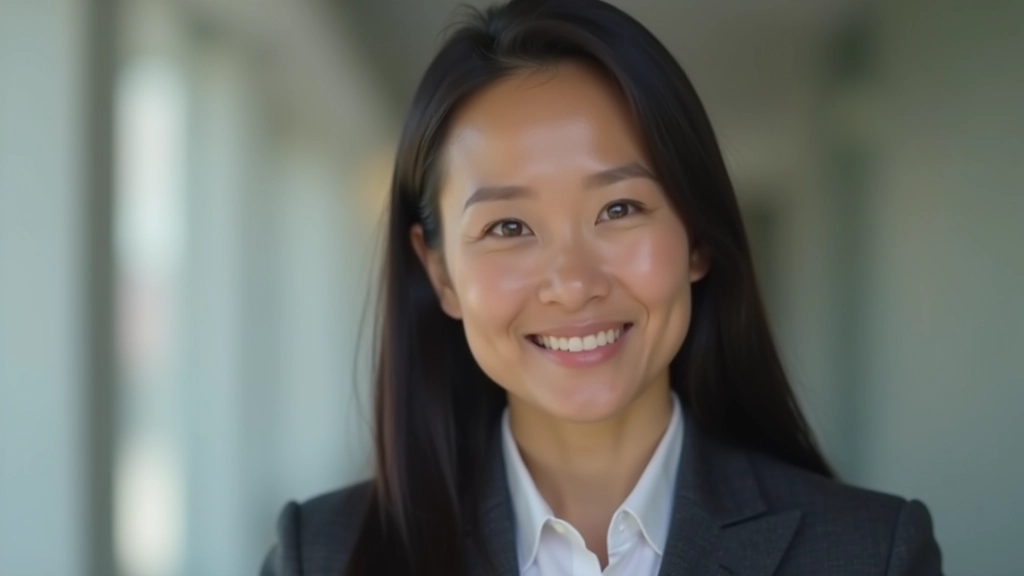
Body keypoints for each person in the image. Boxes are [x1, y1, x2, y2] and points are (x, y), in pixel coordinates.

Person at [261, 0, 943, 574]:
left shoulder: (869, 553)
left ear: (697, 237)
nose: (573, 284)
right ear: (439, 272)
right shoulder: (323, 555)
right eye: (507, 226)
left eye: (619, 210)